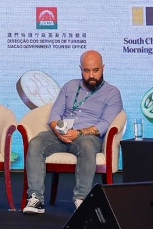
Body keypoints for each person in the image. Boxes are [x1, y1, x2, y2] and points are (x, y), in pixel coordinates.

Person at [23, 50, 123, 214]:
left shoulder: (112, 93)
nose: (91, 75)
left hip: (88, 137)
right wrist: (58, 130)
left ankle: (81, 199)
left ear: (103, 68)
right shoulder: (70, 86)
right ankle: (36, 198)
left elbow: (104, 124)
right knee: (36, 142)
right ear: (80, 69)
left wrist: (79, 133)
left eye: (95, 70)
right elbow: (55, 115)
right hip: (61, 134)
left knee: (86, 146)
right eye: (86, 71)